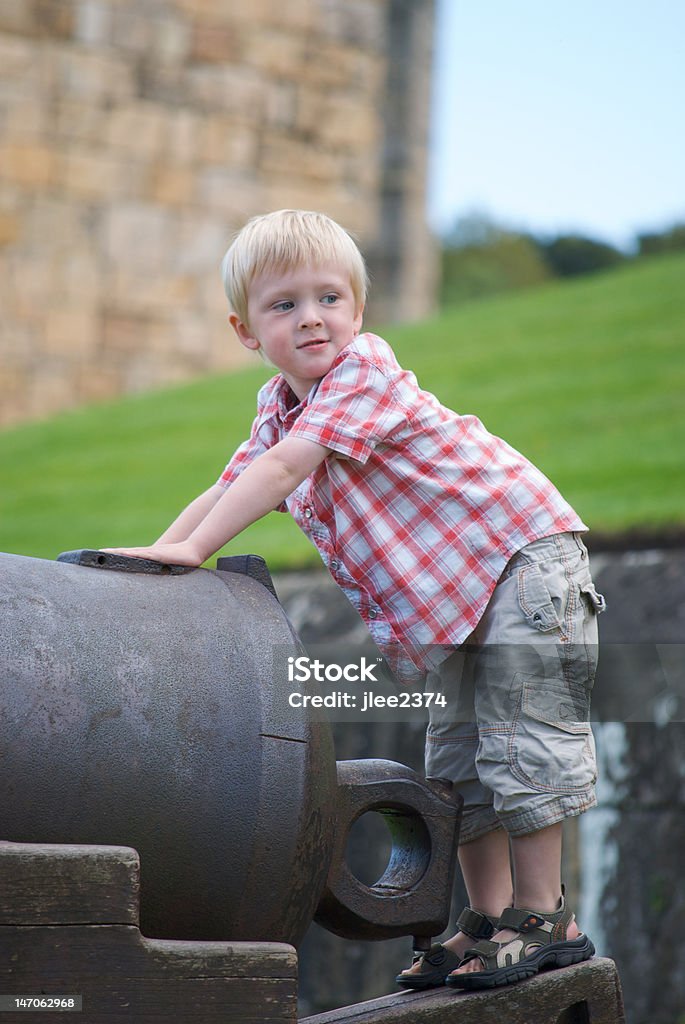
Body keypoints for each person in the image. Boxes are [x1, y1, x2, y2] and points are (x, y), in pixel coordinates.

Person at [104, 208, 605, 991]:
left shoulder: (362, 372)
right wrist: (158, 554)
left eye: (329, 298)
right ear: (245, 331)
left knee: (522, 747)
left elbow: (279, 474)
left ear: (358, 311)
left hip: (522, 566)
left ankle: (545, 921)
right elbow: (232, 482)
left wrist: (193, 553)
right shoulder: (278, 407)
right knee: (459, 762)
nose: (312, 318)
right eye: (284, 305)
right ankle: (486, 923)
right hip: (462, 598)